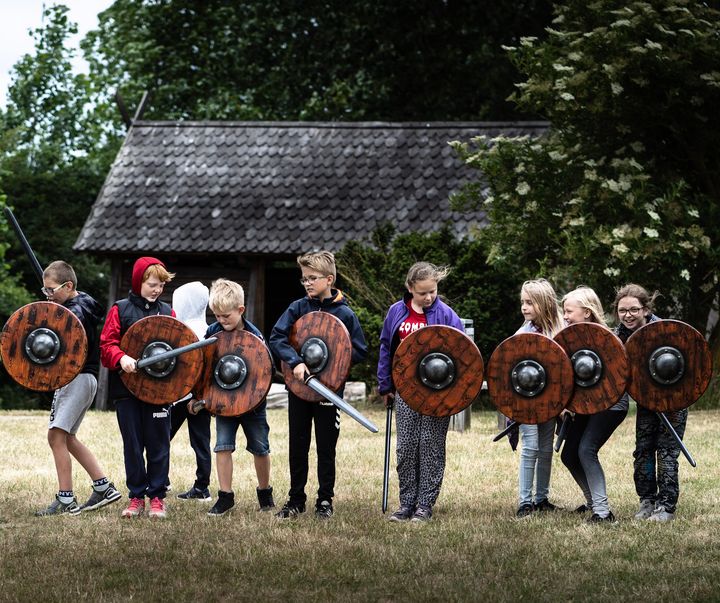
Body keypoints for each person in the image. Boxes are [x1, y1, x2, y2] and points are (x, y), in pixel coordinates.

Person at [269, 251, 368, 520]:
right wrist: (295, 361)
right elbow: (277, 338)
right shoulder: (298, 308)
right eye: (304, 279)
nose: (307, 283)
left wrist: (333, 367)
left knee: (326, 446)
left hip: (328, 391)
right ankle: (295, 499)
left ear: (329, 279)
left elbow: (358, 349)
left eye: (312, 278)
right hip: (300, 388)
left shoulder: (345, 314)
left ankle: (325, 500)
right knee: (298, 444)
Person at [377, 262, 464, 523]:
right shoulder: (396, 312)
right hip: (406, 389)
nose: (428, 298)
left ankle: (425, 504)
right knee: (407, 447)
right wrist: (385, 385)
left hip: (439, 391)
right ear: (410, 288)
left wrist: (457, 393)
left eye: (432, 292)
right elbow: (385, 348)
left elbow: (463, 352)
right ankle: (406, 504)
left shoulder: (446, 314)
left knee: (430, 445)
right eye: (422, 292)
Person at [34, 261, 121, 516]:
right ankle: (103, 487)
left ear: (68, 286)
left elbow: (73, 322)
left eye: (51, 290)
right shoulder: (81, 303)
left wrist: (54, 313)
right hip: (82, 378)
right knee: (67, 438)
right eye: (45, 291)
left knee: (55, 437)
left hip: (78, 377)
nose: (48, 295)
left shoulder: (76, 310)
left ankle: (65, 498)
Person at [99, 257, 175, 519]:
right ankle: (135, 497)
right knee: (132, 444)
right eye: (152, 284)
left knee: (158, 444)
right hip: (127, 391)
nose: (157, 290)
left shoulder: (167, 313)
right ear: (138, 281)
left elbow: (178, 352)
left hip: (159, 391)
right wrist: (121, 357)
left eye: (161, 285)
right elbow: (107, 346)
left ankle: (156, 497)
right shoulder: (119, 310)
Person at [195, 278, 276, 516]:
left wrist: (253, 398)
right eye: (217, 316)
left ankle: (265, 493)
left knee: (260, 448)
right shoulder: (212, 333)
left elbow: (263, 372)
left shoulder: (255, 336)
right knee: (222, 447)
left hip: (253, 404)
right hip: (224, 402)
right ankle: (225, 496)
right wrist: (199, 397)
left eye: (225, 316)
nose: (221, 321)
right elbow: (203, 369)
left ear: (240, 310)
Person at [613, 283, 684, 522]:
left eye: (633, 309)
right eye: (623, 311)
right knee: (643, 451)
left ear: (645, 309)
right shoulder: (618, 336)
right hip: (645, 400)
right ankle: (647, 501)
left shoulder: (663, 330)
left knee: (666, 452)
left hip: (673, 399)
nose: (628, 315)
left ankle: (666, 507)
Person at [560, 286, 626, 523]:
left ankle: (603, 511)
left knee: (586, 450)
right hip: (585, 404)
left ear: (586, 313)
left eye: (569, 311)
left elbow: (614, 380)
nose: (565, 316)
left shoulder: (606, 339)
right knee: (569, 454)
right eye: (564, 311)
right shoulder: (568, 339)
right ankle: (592, 502)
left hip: (612, 403)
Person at [515, 278, 564, 517]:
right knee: (530, 447)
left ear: (544, 304)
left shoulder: (560, 330)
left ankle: (541, 498)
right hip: (526, 401)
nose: (524, 307)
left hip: (551, 398)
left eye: (530, 303)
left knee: (545, 449)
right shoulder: (523, 333)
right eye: (523, 302)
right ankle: (525, 502)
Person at [169, 281, 212, 502]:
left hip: (188, 397)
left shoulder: (193, 331)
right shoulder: (204, 328)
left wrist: (195, 397)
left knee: (162, 437)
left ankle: (162, 480)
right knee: (200, 441)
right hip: (194, 396)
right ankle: (202, 485)